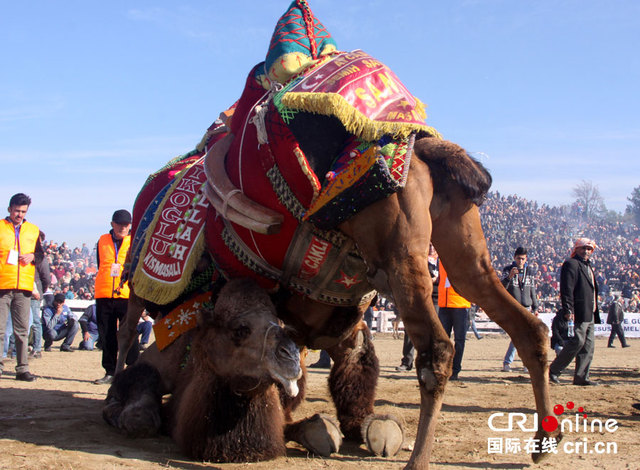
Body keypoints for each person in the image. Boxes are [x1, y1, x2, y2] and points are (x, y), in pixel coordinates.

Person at [93, 209, 139, 385]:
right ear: (112, 224)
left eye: (127, 224)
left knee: (130, 332)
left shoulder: (135, 240)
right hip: (104, 293)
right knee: (107, 335)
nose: (123, 227)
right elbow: (100, 264)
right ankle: (110, 371)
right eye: (119, 224)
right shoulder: (102, 240)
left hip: (126, 294)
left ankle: (133, 369)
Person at [0, 193, 42, 381]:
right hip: (2, 284)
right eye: (17, 210)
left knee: (22, 330)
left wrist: (32, 256)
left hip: (23, 286)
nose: (19, 214)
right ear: (9, 209)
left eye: (23, 211)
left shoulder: (33, 230)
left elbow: (40, 255)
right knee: (0, 329)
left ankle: (22, 368)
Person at [549, 238, 601, 386]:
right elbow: (567, 289)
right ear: (576, 249)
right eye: (583, 248)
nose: (586, 251)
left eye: (589, 249)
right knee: (577, 341)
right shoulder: (571, 264)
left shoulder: (588, 266)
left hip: (590, 312)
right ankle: (553, 370)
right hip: (578, 311)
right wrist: (568, 309)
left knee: (588, 346)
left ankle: (581, 377)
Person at [397, 244, 439, 372]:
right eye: (430, 245)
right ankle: (407, 361)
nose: (432, 248)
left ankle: (430, 361)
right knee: (411, 328)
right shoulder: (420, 259)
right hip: (418, 297)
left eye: (433, 246)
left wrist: (436, 279)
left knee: (433, 330)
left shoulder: (442, 262)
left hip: (436, 298)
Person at [501, 247, 538, 372]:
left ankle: (511, 363)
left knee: (521, 337)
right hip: (514, 308)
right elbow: (502, 287)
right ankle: (521, 363)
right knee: (520, 336)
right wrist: (509, 277)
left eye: (523, 258)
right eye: (518, 258)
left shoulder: (530, 271)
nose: (520, 261)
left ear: (526, 259)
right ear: (514, 258)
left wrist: (535, 307)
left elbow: (532, 289)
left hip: (527, 308)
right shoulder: (507, 270)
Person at [437, 258, 470, 381]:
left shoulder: (463, 257)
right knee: (442, 340)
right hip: (444, 304)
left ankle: (455, 370)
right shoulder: (441, 259)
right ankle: (443, 369)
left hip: (459, 304)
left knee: (459, 340)